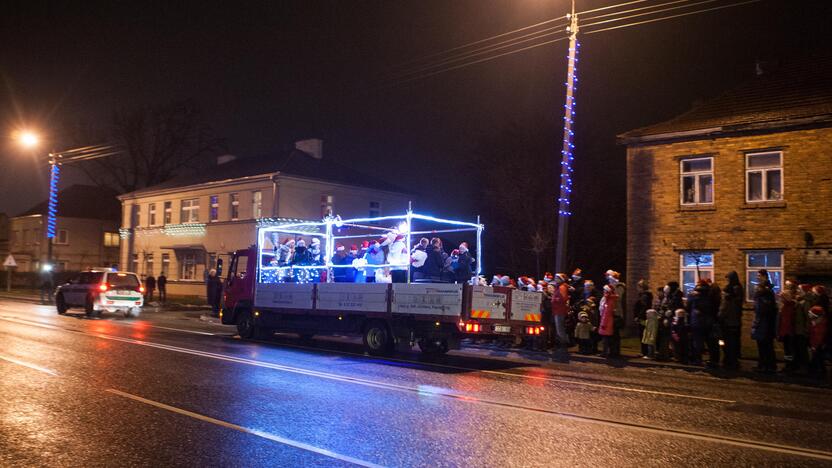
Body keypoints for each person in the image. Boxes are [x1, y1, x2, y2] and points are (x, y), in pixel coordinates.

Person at [751, 269, 778, 373]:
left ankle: (766, 365)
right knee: (764, 345)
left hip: (764, 323)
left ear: (764, 276)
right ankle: (766, 364)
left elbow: (763, 309)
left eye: (759, 275)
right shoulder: (766, 291)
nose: (757, 277)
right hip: (764, 323)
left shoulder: (765, 292)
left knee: (765, 345)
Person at [687, 279, 718, 367]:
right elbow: (715, 307)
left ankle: (697, 359)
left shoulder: (692, 296)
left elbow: (688, 307)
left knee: (697, 342)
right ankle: (713, 360)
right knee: (710, 342)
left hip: (696, 322)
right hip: (709, 321)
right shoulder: (711, 295)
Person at [718, 271, 744, 371]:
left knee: (727, 342)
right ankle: (733, 360)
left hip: (728, 322)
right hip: (735, 321)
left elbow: (724, 309)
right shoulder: (737, 291)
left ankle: (729, 360)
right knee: (734, 342)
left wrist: (720, 317)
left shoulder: (730, 295)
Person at [778, 280, 798, 373]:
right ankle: (789, 364)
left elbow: (788, 321)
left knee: (789, 349)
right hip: (786, 331)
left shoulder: (789, 307)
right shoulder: (787, 307)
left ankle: (790, 365)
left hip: (788, 331)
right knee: (787, 349)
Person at [605, 270, 625, 357]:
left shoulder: (619, 286)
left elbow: (618, 298)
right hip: (610, 312)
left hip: (616, 312)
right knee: (610, 333)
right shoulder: (611, 286)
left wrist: (610, 292)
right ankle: (611, 350)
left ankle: (615, 351)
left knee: (615, 333)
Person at [551, 273, 570, 350]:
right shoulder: (559, 287)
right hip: (557, 310)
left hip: (560, 310)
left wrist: (554, 299)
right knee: (559, 328)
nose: (555, 279)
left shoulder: (562, 287)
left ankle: (563, 345)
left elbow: (563, 298)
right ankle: (561, 344)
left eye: (557, 278)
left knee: (560, 329)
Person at [633, 279, 653, 357]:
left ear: (641, 287)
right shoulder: (644, 295)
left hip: (643, 318)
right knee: (643, 334)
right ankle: (644, 351)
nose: (637, 288)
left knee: (643, 334)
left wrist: (638, 316)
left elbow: (643, 307)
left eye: (638, 287)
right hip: (642, 317)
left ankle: (645, 352)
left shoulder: (644, 296)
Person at [598, 283, 618, 357]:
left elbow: (606, 313)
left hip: (607, 322)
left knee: (606, 338)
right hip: (607, 321)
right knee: (606, 338)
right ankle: (607, 351)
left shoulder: (609, 301)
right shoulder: (608, 299)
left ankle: (605, 352)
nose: (603, 292)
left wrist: (603, 323)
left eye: (605, 290)